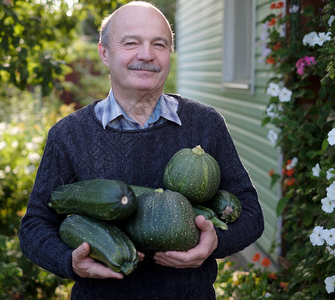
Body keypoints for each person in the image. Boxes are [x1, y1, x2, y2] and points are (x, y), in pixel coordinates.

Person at [19, 1, 264, 299]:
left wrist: (213, 244)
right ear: (104, 53)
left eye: (159, 44)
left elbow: (250, 214)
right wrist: (70, 261)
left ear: (169, 55)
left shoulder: (205, 124)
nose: (146, 55)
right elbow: (35, 226)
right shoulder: (69, 135)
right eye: (131, 43)